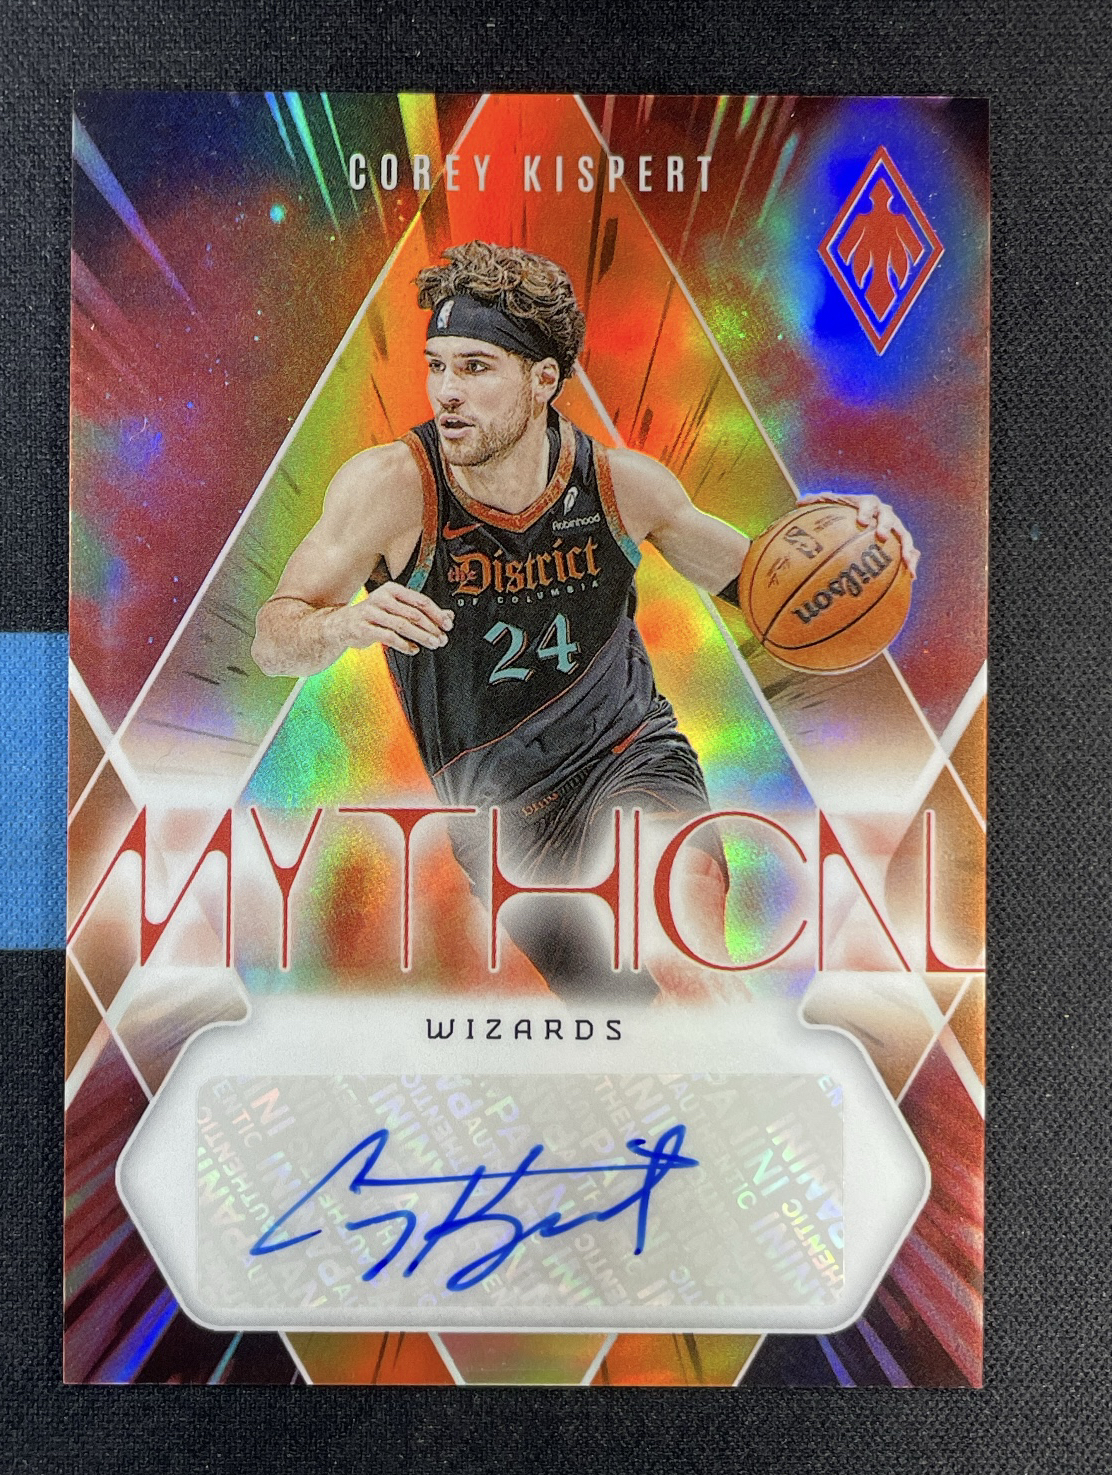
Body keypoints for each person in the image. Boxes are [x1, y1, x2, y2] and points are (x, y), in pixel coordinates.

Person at [252, 240, 918, 1001]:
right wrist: (342, 626)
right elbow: (274, 639)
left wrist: (865, 547)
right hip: (505, 830)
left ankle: (746, 1045)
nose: (447, 393)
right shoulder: (389, 488)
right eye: (437, 365)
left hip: (627, 756)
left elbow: (774, 591)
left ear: (544, 379)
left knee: (681, 945)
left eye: (476, 367)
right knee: (641, 1026)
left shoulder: (622, 487)